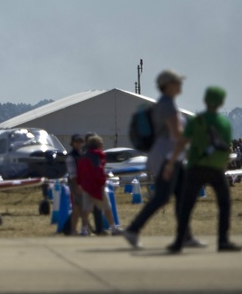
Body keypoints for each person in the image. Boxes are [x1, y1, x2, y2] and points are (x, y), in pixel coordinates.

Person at [123, 70, 199, 249]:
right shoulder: (167, 106)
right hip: (168, 157)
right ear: (168, 85)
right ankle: (133, 229)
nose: (180, 86)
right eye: (177, 82)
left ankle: (185, 236)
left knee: (181, 197)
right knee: (162, 197)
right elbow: (176, 134)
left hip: (172, 156)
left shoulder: (167, 104)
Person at [167, 86, 241, 253]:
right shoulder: (224, 124)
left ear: (205, 100)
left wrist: (172, 163)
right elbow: (226, 148)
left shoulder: (196, 120)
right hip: (215, 168)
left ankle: (179, 241)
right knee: (224, 204)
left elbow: (182, 142)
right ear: (222, 102)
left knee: (186, 205)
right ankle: (223, 241)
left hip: (195, 167)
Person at [76, 135, 122, 236]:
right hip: (97, 187)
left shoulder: (83, 157)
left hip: (86, 187)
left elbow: (79, 172)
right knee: (107, 208)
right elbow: (98, 171)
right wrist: (102, 181)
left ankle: (84, 230)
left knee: (86, 209)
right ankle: (114, 229)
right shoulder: (96, 157)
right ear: (97, 145)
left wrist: (79, 184)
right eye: (101, 144)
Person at [65, 134, 90, 236]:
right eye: (77, 141)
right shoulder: (71, 156)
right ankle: (75, 230)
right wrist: (77, 185)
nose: (79, 143)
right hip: (76, 184)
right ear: (72, 143)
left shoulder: (82, 154)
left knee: (82, 207)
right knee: (79, 207)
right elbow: (72, 174)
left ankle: (81, 229)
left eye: (81, 141)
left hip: (83, 183)